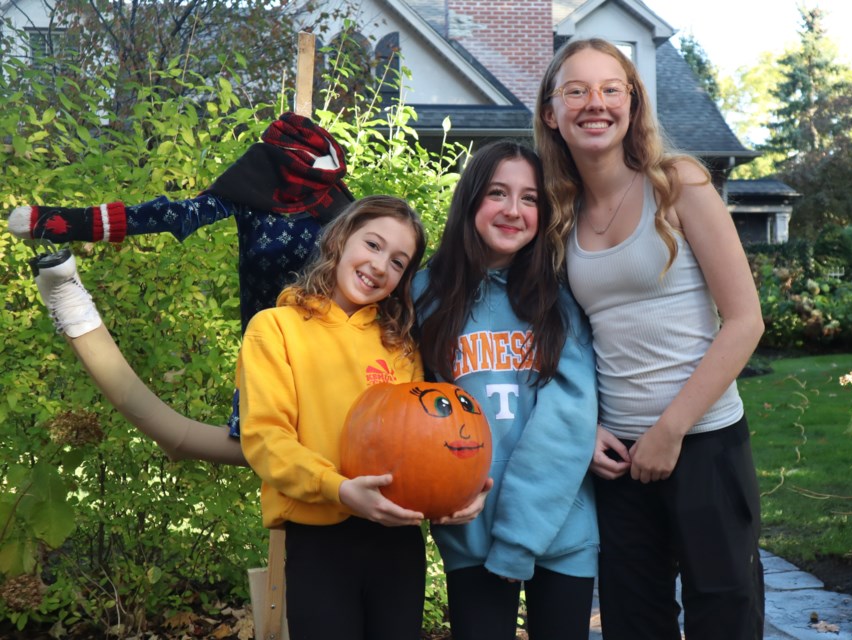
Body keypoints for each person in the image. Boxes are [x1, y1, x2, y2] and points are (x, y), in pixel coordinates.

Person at [533, 38, 766, 640]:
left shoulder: (677, 184)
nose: (596, 103)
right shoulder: (559, 212)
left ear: (632, 105)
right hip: (618, 461)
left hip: (705, 440)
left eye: (612, 89)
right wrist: (584, 427)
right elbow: (562, 338)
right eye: (576, 90)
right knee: (634, 621)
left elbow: (745, 320)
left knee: (725, 611)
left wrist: (671, 430)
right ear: (550, 113)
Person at [9, 113, 353, 464]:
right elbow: (177, 214)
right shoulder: (255, 187)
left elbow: (383, 273)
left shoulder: (344, 211)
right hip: (271, 357)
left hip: (338, 361)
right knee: (274, 455)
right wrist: (74, 222)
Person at [237, 194, 477, 639]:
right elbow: (266, 438)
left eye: (399, 261)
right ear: (341, 238)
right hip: (320, 538)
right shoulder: (275, 329)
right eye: (372, 244)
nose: (380, 265)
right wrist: (340, 489)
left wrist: (459, 490)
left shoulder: (399, 345)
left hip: (396, 541)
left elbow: (428, 441)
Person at [414, 140, 599, 640]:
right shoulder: (424, 295)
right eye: (498, 193)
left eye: (530, 198)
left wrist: (519, 538)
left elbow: (568, 418)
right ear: (472, 200)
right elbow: (408, 414)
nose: (514, 210)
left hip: (562, 527)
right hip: (469, 529)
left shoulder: (559, 300)